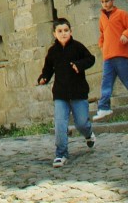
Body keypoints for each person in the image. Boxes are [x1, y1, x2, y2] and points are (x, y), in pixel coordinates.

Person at [37, 17, 96, 167]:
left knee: (81, 123)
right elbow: (48, 69)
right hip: (60, 94)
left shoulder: (77, 47)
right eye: (60, 31)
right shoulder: (52, 52)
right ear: (54, 34)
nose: (63, 34)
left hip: (78, 92)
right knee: (60, 124)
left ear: (71, 31)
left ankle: (88, 135)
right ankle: (61, 154)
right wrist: (43, 77)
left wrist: (79, 65)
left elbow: (91, 59)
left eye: (66, 31)